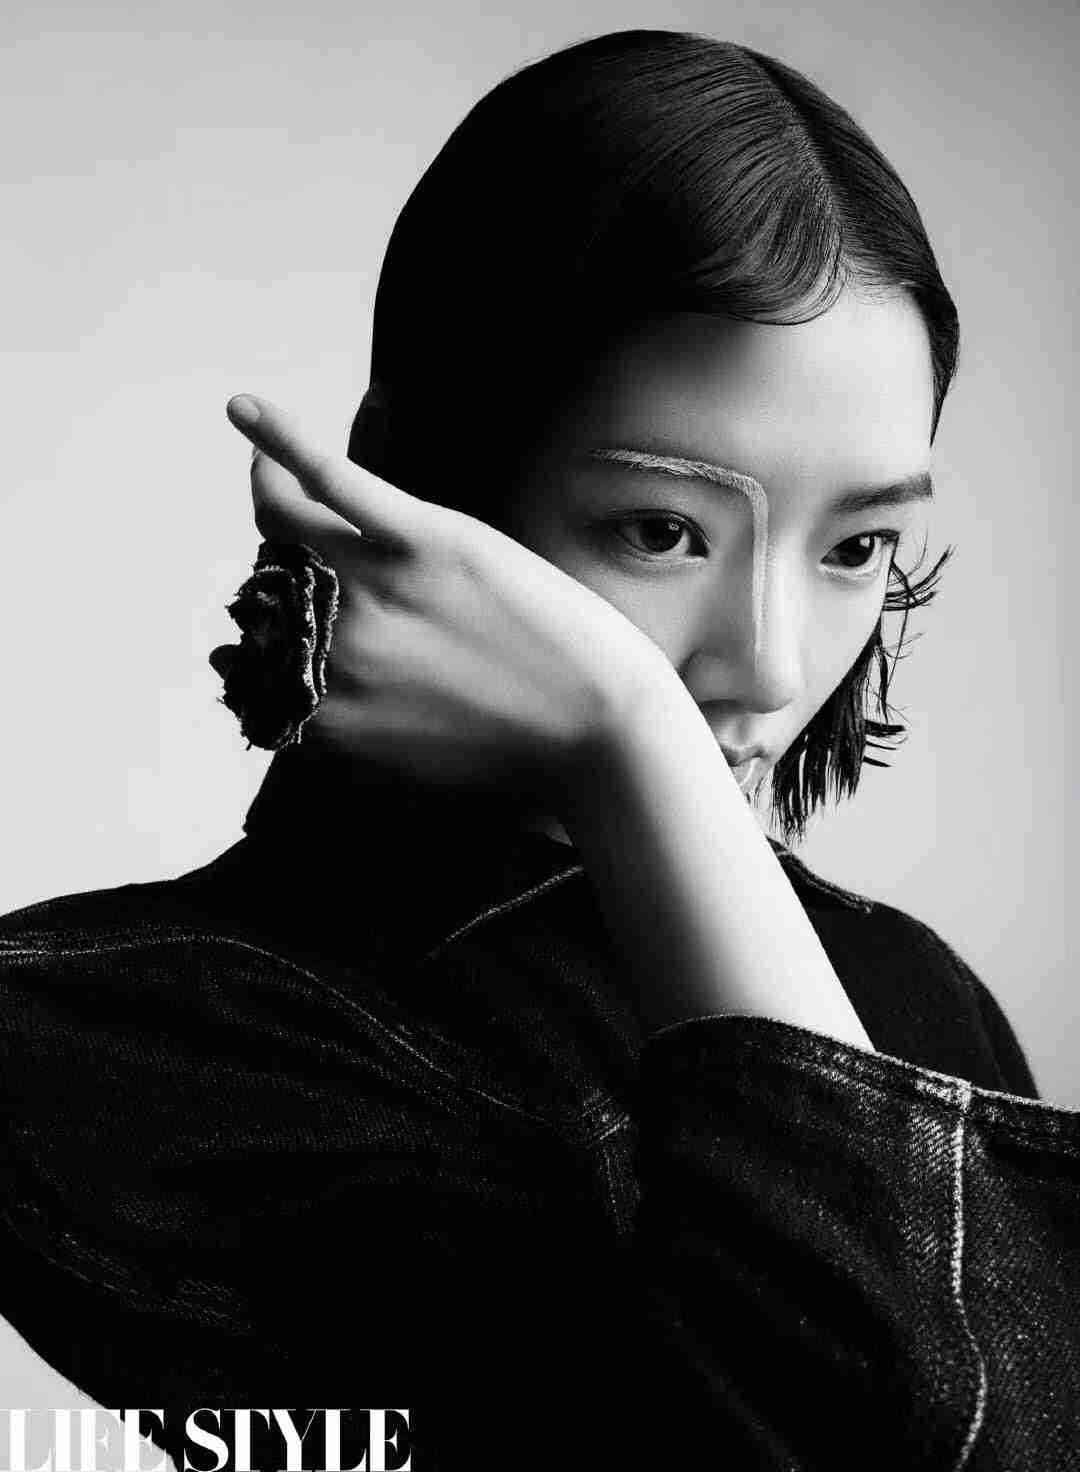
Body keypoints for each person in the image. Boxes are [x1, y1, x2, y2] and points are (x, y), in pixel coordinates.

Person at [1, 28, 1077, 1472]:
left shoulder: (919, 998)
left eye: (858, 546)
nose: (771, 664)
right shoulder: (130, 1034)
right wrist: (627, 729)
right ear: (411, 484)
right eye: (661, 530)